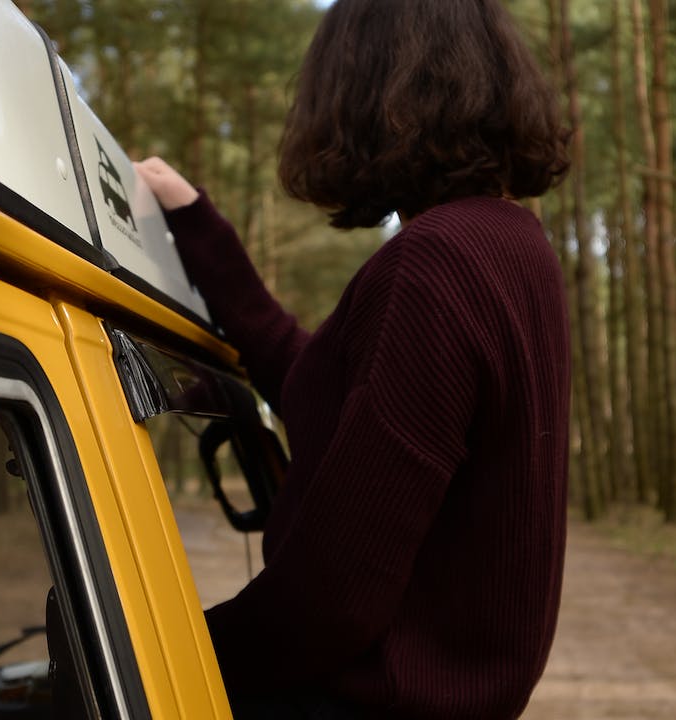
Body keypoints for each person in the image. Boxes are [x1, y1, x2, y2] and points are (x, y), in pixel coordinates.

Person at [135, 1, 570, 717]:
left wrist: (159, 656)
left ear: (369, 93)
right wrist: (197, 225)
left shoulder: (434, 265)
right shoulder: (512, 247)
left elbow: (333, 597)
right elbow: (328, 393)